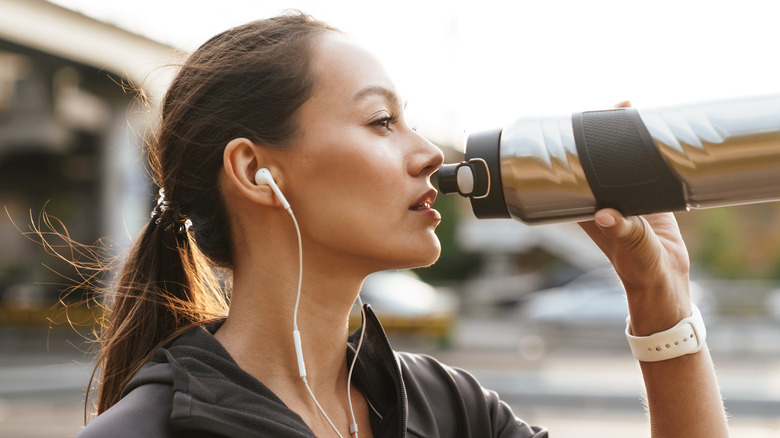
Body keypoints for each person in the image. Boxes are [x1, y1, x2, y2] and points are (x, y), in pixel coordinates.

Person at [76, 12, 729, 438]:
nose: (430, 154)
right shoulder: (148, 431)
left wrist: (659, 299)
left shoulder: (448, 410)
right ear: (254, 171)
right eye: (381, 122)